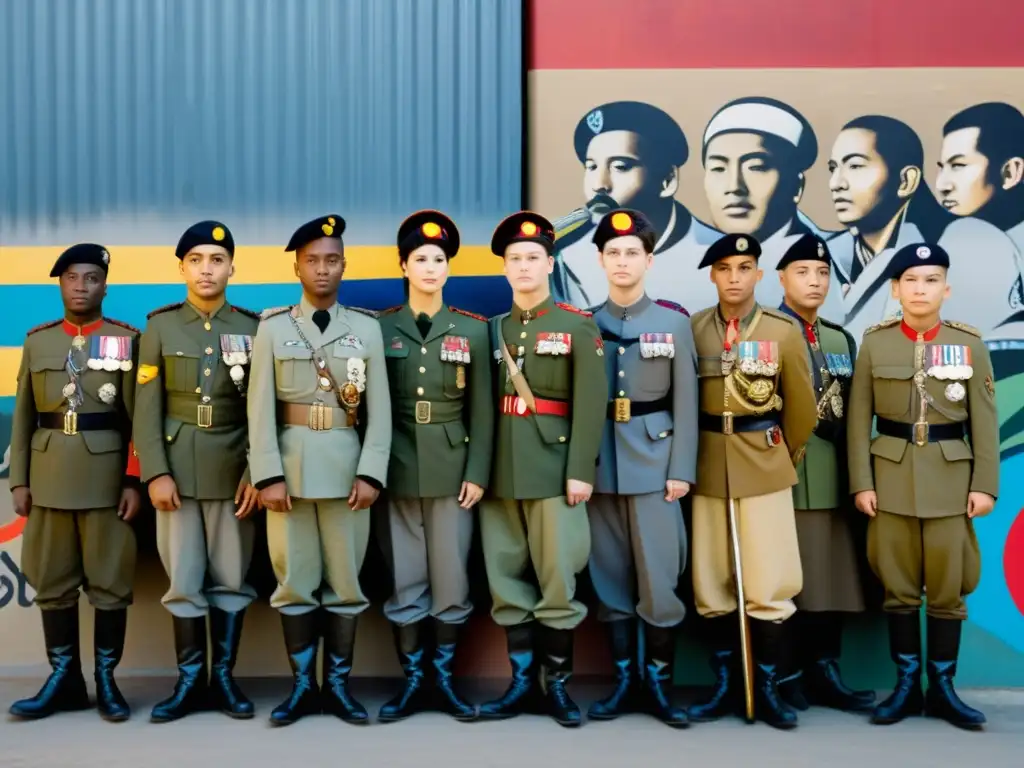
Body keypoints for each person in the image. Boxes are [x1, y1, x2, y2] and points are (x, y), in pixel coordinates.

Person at [247, 214, 392, 727]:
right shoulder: (273, 328)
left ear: (344, 265)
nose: (323, 270)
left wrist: (372, 473)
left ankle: (340, 689)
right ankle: (301, 690)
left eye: (332, 260)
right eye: (313, 261)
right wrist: (266, 474)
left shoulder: (368, 330)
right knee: (294, 582)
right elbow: (259, 408)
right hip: (288, 472)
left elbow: (381, 414)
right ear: (297, 267)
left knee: (347, 584)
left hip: (347, 472)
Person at [847, 242, 998, 730]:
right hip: (889, 477)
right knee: (899, 588)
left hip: (952, 479)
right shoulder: (876, 342)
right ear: (895, 289)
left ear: (945, 289)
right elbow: (857, 422)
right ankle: (907, 686)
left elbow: (986, 423)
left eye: (930, 279)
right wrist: (861, 483)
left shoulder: (969, 344)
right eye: (910, 280)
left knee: (949, 590)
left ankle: (944, 688)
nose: (919, 288)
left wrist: (985, 486)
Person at [476, 211, 608, 727]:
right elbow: (485, 410)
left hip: (556, 470)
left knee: (558, 581)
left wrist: (580, 469)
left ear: (549, 264)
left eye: (533, 258)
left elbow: (590, 403)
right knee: (506, 581)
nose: (524, 266)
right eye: (515, 259)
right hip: (503, 474)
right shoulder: (494, 331)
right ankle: (519, 686)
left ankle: (556, 688)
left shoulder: (576, 324)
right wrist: (481, 473)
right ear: (505, 270)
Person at [685, 233, 817, 730]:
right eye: (724, 268)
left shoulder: (782, 331)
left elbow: (801, 409)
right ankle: (726, 687)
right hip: (705, 466)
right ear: (713, 276)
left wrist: (780, 456)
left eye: (745, 267)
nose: (735, 277)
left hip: (762, 464)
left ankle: (766, 687)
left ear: (760, 274)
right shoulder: (693, 329)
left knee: (770, 583)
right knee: (710, 582)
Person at [133, 221, 262, 722]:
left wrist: (256, 470)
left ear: (231, 267)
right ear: (182, 267)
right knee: (184, 581)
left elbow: (261, 409)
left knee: (231, 579)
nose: (206, 269)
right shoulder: (160, 327)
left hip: (234, 473)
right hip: (178, 475)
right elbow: (148, 409)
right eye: (196, 260)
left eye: (216, 259)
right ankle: (189, 681)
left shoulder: (254, 328)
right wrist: (155, 474)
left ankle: (223, 679)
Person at [8, 244, 142, 722]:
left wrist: (133, 480)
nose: (81, 287)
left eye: (90, 278)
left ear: (105, 285)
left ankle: (106, 681)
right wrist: (19, 480)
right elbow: (24, 417)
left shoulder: (125, 340)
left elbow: (138, 420)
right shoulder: (39, 341)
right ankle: (64, 679)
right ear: (60, 284)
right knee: (52, 579)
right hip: (47, 478)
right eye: (71, 278)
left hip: (106, 480)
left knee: (110, 582)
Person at [374, 210, 494, 722]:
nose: (429, 267)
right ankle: (414, 682)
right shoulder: (379, 328)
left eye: (438, 259)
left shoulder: (473, 330)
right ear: (403, 265)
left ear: (449, 268)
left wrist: (477, 471)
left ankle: (443, 681)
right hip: (397, 466)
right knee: (405, 578)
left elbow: (483, 410)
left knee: (452, 579)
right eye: (419, 258)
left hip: (452, 469)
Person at [583, 209, 697, 728]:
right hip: (601, 466)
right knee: (609, 579)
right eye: (613, 253)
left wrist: (683, 469)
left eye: (632, 252)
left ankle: (658, 684)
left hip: (656, 465)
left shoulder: (673, 323)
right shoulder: (585, 324)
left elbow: (688, 403)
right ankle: (625, 681)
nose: (622, 261)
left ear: (649, 260)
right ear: (600, 260)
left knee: (660, 579)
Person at [773, 233, 875, 713]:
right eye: (802, 273)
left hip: (833, 474)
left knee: (833, 577)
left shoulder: (839, 337)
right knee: (785, 581)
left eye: (822, 274)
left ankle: (824, 671)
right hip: (783, 476)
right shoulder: (764, 329)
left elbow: (853, 414)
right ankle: (786, 674)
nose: (814, 282)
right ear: (781, 278)